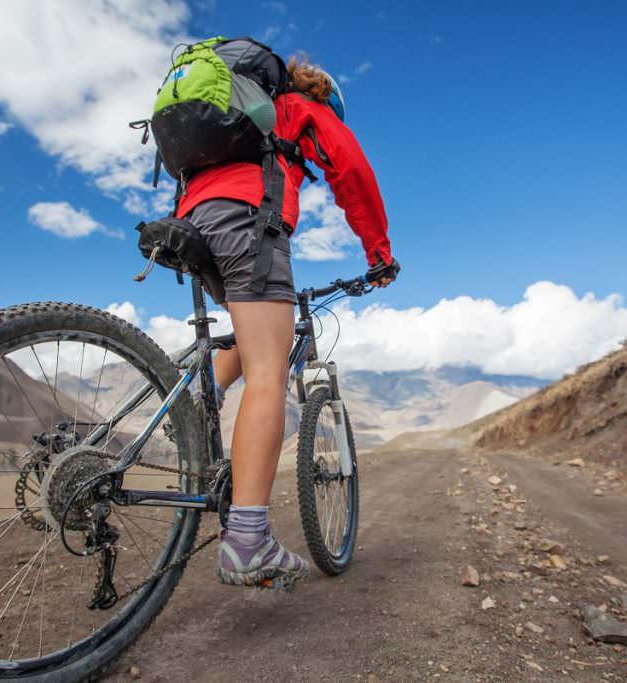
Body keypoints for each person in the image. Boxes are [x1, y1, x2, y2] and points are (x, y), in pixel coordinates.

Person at [175, 55, 399, 589]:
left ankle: (189, 396)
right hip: (247, 220)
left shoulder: (234, 118)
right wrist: (379, 254)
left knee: (250, 340)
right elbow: (352, 170)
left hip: (194, 218)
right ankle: (248, 541)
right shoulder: (300, 108)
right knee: (270, 371)